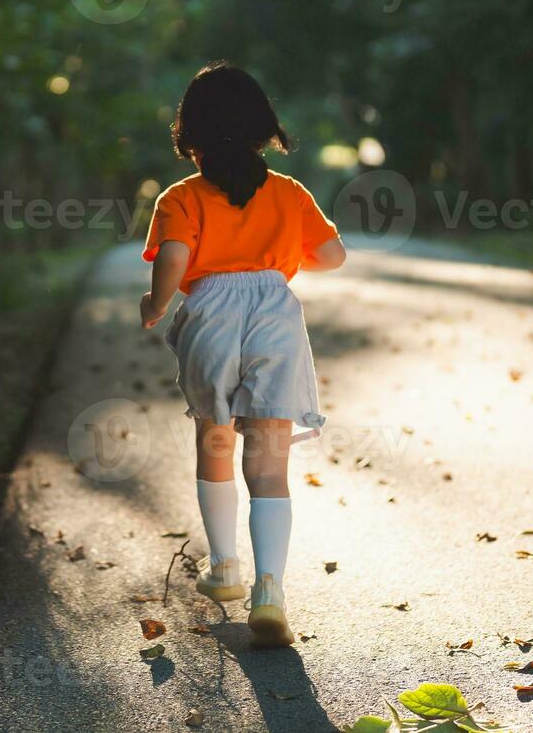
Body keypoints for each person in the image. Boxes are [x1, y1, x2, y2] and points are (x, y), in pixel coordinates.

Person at [139, 61, 346, 647]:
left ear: (190, 135)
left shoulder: (180, 198)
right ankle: (271, 589)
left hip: (208, 314)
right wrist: (278, 257)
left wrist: (155, 306)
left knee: (215, 439)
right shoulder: (288, 194)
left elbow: (173, 261)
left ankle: (225, 567)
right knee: (269, 458)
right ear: (262, 129)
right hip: (275, 315)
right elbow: (332, 256)